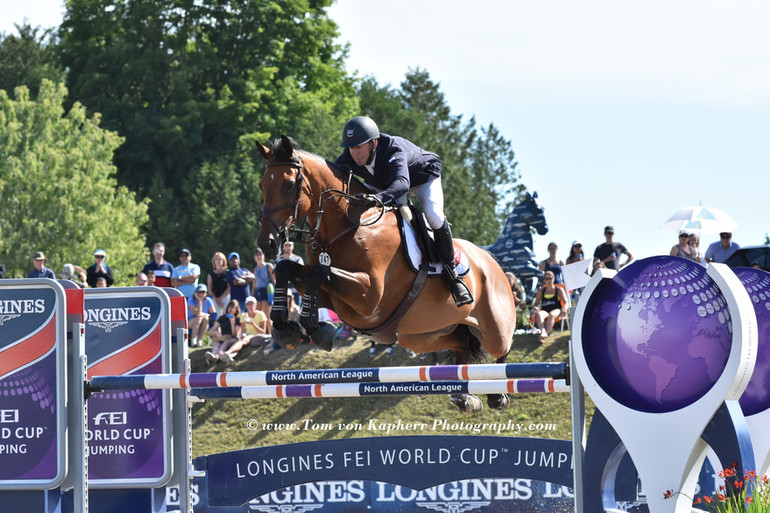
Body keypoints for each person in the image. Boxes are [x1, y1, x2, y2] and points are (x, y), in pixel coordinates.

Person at [333, 115, 472, 307]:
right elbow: (331, 170)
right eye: (351, 147)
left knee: (433, 215)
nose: (354, 153)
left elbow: (401, 184)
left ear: (374, 143)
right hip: (384, 183)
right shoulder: (351, 155)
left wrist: (377, 199)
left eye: (359, 147)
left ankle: (453, 277)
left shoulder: (392, 150)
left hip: (422, 178)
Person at [218, 296, 270, 363]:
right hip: (248, 337)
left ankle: (227, 352)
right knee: (242, 341)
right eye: (249, 304)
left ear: (256, 304)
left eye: (252, 304)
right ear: (246, 306)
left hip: (258, 336)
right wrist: (243, 334)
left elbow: (263, 332)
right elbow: (243, 331)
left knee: (242, 341)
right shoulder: (244, 315)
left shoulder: (261, 314)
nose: (251, 306)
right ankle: (231, 355)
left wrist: (253, 324)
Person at [531, 271, 569, 342]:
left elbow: (566, 302)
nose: (548, 281)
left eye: (550, 278)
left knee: (551, 314)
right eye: (546, 279)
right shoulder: (541, 290)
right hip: (545, 310)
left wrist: (564, 309)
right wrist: (535, 307)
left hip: (556, 309)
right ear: (544, 280)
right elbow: (536, 303)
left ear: (553, 279)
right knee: (539, 314)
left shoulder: (559, 290)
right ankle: (543, 332)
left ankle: (545, 333)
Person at [252, 248, 275, 334]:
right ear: (254, 257)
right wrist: (252, 296)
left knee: (267, 316)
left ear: (264, 255)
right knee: (258, 316)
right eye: (257, 254)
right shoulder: (254, 269)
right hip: (257, 292)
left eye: (260, 254)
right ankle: (261, 335)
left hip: (267, 292)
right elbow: (254, 285)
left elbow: (274, 280)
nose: (259, 256)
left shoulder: (268, 266)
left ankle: (271, 335)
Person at [276, 241, 303, 307]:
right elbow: (275, 276)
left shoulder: (298, 259)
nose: (288, 247)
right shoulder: (278, 260)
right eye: (286, 245)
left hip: (295, 290)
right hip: (282, 291)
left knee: (295, 312)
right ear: (283, 247)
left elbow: (301, 274)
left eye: (289, 245)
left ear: (293, 247)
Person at [207, 252, 231, 316]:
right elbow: (210, 289)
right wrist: (216, 299)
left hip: (226, 298)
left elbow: (229, 288)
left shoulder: (228, 272)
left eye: (220, 259)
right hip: (215, 299)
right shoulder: (211, 274)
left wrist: (220, 298)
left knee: (227, 316)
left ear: (223, 261)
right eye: (216, 259)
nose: (218, 261)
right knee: (217, 318)